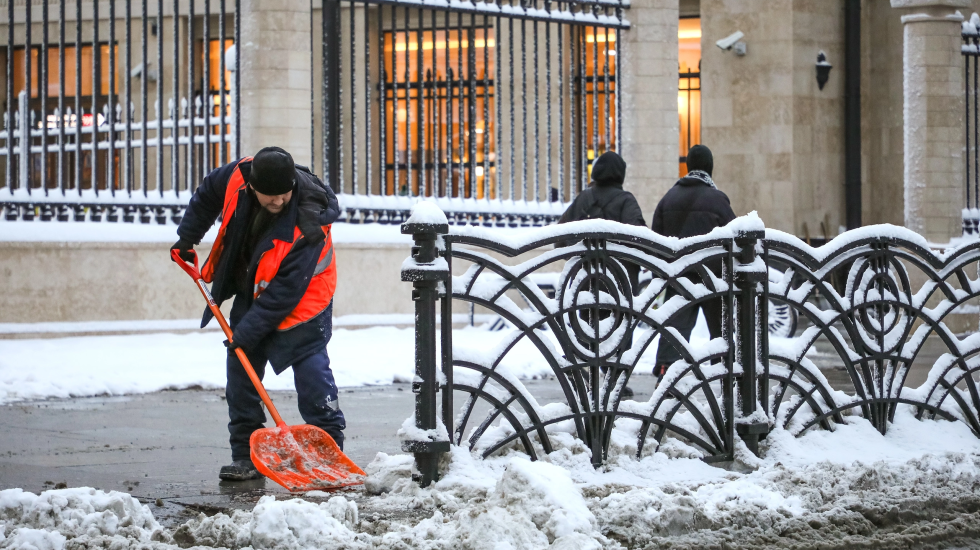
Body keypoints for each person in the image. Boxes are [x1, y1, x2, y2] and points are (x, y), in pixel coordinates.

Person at [171, 147, 345, 481]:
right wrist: (187, 238)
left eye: (285, 194)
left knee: (312, 375)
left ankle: (330, 452)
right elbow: (208, 194)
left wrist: (245, 334)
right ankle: (245, 456)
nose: (279, 201)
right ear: (252, 186)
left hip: (304, 300)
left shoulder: (310, 222)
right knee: (240, 373)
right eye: (271, 196)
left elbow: (284, 294)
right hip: (255, 286)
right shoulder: (238, 175)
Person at [558, 151, 645, 398]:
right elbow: (640, 237)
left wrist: (578, 257)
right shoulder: (626, 201)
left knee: (586, 325)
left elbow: (560, 237)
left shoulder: (583, 199)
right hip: (619, 280)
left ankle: (582, 375)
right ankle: (613, 381)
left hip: (586, 279)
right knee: (619, 329)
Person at [651, 144, 736, 384]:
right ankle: (724, 375)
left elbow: (656, 237)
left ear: (687, 166)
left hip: (678, 276)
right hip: (712, 277)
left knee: (675, 331)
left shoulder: (669, 197)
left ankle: (666, 375)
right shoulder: (717, 198)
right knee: (721, 330)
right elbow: (736, 235)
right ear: (710, 167)